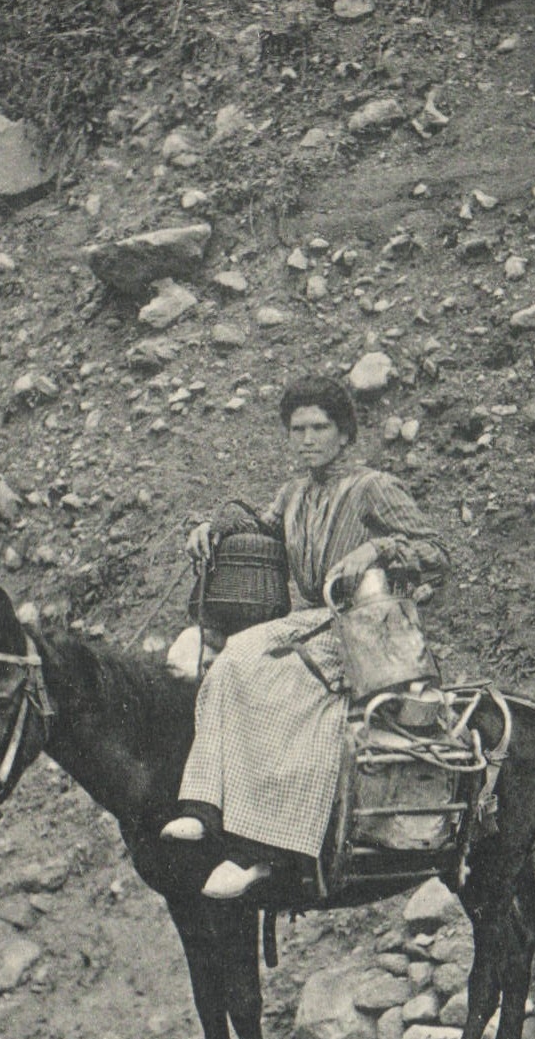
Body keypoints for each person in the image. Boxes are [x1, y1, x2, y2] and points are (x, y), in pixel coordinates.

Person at [162, 376, 450, 897]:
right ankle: (203, 806)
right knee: (231, 658)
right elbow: (263, 529)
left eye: (320, 427)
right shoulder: (294, 494)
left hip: (365, 626)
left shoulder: (373, 488)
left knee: (273, 676)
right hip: (311, 619)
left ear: (344, 434)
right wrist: (215, 528)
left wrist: (380, 550)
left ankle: (265, 851)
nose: (309, 439)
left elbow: (437, 553)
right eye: (298, 429)